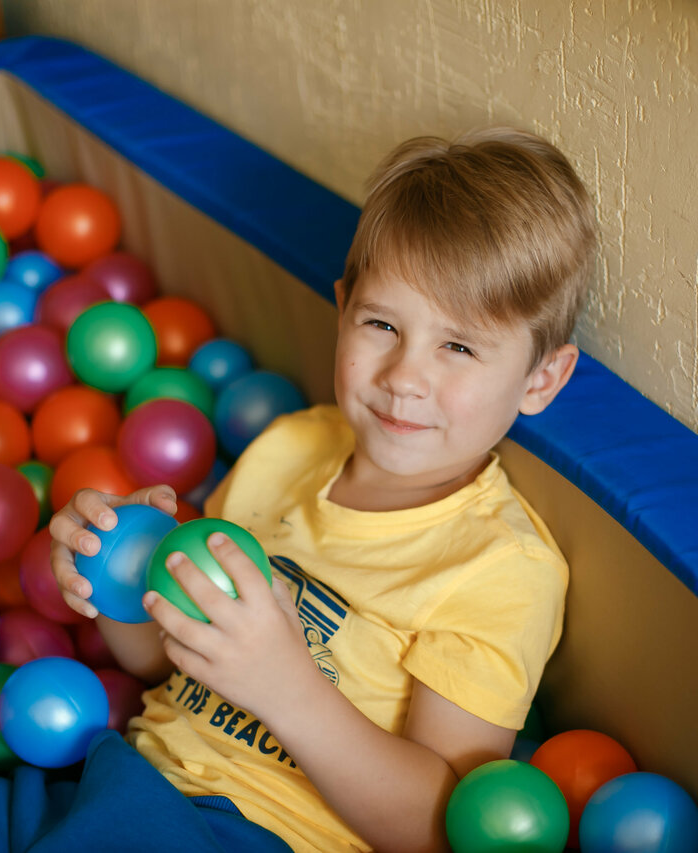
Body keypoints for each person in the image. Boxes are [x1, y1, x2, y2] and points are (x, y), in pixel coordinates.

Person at [48, 126, 599, 852]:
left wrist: (287, 689)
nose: (404, 376)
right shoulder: (289, 448)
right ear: (343, 310)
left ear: (541, 379)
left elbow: (436, 830)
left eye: (459, 346)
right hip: (119, 784)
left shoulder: (501, 571)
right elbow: (160, 657)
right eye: (382, 325)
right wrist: (110, 572)